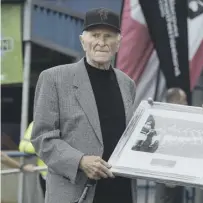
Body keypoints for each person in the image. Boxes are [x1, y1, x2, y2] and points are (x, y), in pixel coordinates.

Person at [31, 8, 137, 203]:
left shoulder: (127, 83)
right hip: (76, 192)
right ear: (83, 41)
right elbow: (42, 138)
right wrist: (80, 161)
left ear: (118, 43)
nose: (101, 42)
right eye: (95, 35)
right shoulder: (54, 78)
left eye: (108, 36)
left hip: (121, 192)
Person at [154, 87, 187, 203]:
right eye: (184, 101)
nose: (186, 104)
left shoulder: (183, 122)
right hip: (164, 174)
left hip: (178, 175)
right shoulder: (163, 121)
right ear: (175, 102)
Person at [19, 121, 47, 197]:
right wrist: (46, 145)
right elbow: (23, 146)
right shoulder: (35, 123)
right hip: (45, 174)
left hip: (68, 175)